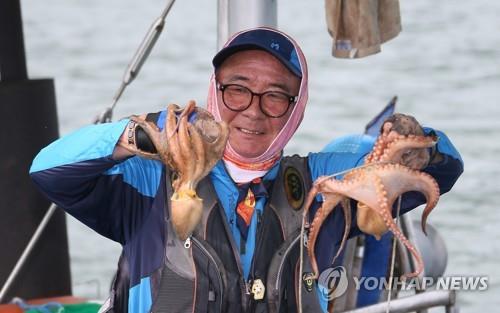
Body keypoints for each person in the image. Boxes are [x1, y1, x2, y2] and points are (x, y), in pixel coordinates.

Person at [30, 27, 463, 313]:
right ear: (215, 91)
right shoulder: (152, 179)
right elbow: (49, 170)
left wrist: (413, 145)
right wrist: (139, 135)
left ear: (297, 108)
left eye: (276, 96)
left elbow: (445, 168)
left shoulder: (326, 186)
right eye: (237, 89)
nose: (253, 112)